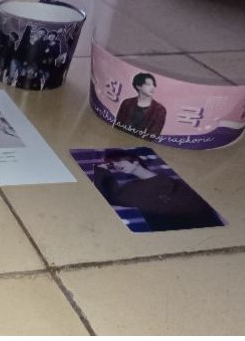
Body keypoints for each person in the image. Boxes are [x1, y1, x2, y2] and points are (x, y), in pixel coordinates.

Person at [93, 149, 224, 231]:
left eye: (117, 161)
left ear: (135, 161)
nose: (116, 165)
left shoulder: (174, 183)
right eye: (112, 164)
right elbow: (108, 198)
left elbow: (203, 209)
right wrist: (101, 171)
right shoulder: (131, 188)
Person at [115, 72, 167, 137]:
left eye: (153, 85)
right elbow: (117, 124)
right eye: (148, 84)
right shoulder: (127, 103)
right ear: (138, 86)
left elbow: (154, 133)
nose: (152, 87)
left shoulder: (159, 110)